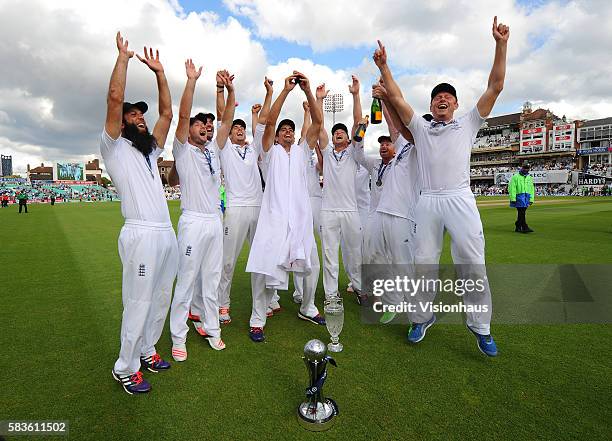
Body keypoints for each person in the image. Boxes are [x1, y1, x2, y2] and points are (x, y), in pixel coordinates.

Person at [374, 16, 510, 357]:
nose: (443, 99)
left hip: (460, 199)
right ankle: (421, 318)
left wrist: (500, 44)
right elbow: (397, 99)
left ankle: (481, 327)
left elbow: (495, 87)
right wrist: (386, 68)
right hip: (428, 201)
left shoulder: (467, 124)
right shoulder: (420, 128)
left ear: (456, 104)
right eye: (437, 97)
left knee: (471, 260)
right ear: (431, 104)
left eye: (448, 96)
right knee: (424, 262)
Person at [103, 33, 178, 394]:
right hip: (141, 233)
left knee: (161, 295)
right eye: (132, 114)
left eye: (140, 114)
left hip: (165, 232)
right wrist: (124, 58)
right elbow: (115, 97)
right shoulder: (114, 147)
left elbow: (167, 113)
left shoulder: (150, 152)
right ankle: (125, 366)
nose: (140, 118)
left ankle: (147, 349)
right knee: (138, 300)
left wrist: (160, 73)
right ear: (121, 121)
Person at [245, 71, 326, 342]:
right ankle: (257, 318)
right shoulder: (269, 152)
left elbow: (318, 121)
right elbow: (268, 122)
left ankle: (307, 307)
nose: (288, 132)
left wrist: (307, 90)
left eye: (291, 130)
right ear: (277, 137)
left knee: (311, 264)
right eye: (284, 130)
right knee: (262, 268)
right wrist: (285, 91)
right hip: (273, 220)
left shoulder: (304, 150)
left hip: (300, 221)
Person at [168, 60, 231, 362]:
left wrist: (230, 91)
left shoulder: (213, 149)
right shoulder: (183, 149)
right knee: (187, 280)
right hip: (192, 220)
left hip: (214, 222)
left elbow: (227, 122)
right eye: (199, 125)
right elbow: (182, 115)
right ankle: (178, 337)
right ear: (189, 130)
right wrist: (192, 81)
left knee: (212, 278)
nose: (205, 128)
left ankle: (212, 329)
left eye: (207, 126)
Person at [214, 76, 277, 325]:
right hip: (237, 209)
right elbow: (222, 116)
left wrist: (269, 94)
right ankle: (223, 304)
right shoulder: (225, 149)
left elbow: (264, 122)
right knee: (228, 261)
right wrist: (223, 90)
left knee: (263, 257)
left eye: (241, 128)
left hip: (258, 208)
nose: (238, 130)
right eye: (234, 128)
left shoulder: (254, 150)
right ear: (227, 134)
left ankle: (268, 299)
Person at [318, 75, 365, 304]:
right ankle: (330, 294)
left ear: (348, 138)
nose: (338, 132)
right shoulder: (327, 152)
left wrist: (356, 95)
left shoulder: (354, 152)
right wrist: (318, 100)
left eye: (342, 131)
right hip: (328, 211)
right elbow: (319, 127)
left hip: (350, 210)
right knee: (329, 256)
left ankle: (358, 287)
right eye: (335, 131)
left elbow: (357, 122)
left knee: (355, 254)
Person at [508, 162, 534, 233]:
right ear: (522, 168)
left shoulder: (529, 178)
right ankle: (525, 227)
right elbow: (512, 188)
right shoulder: (515, 177)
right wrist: (513, 198)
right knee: (521, 212)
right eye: (525, 168)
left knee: (522, 213)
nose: (526, 169)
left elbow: (531, 189)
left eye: (527, 168)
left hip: (526, 197)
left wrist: (531, 199)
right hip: (519, 197)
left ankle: (518, 226)